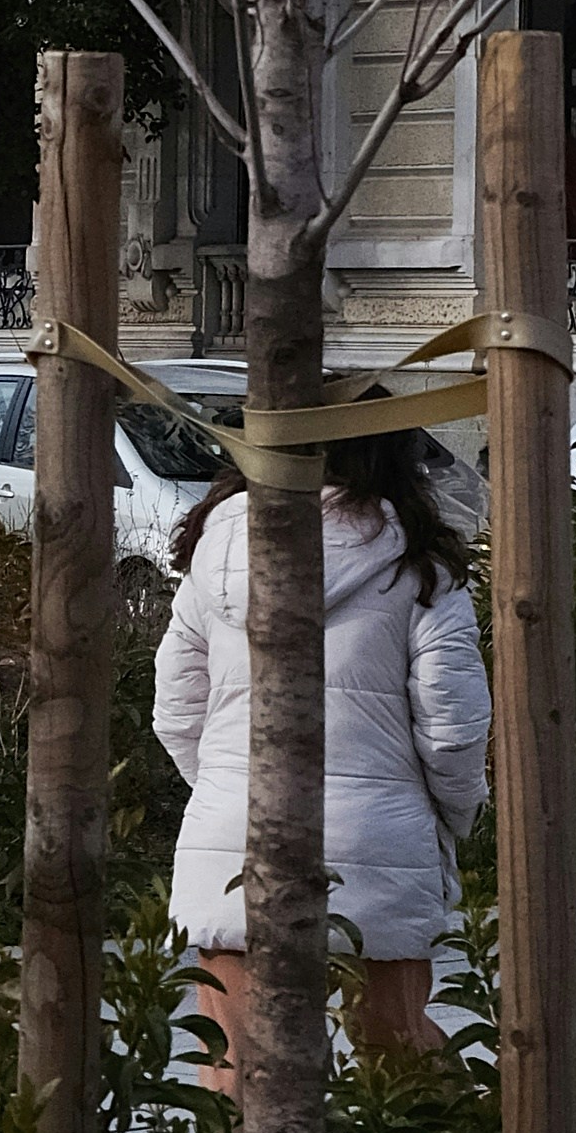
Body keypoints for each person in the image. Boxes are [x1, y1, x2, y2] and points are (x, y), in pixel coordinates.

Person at [152, 424, 492, 1085]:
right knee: (398, 1051)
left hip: (235, 841)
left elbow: (176, 711)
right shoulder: (422, 566)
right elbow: (452, 727)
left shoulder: (214, 552)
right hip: (379, 836)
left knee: (234, 1064)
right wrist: (451, 819)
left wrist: (224, 788)